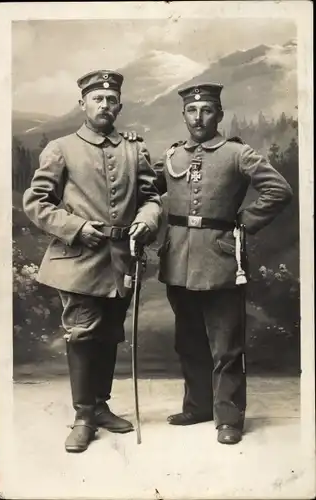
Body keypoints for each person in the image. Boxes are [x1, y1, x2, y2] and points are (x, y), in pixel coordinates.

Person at [23, 70, 162, 453]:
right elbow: (36, 202)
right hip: (79, 259)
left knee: (108, 334)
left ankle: (100, 406)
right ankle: (83, 416)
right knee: (83, 334)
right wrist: (76, 226)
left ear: (119, 105)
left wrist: (147, 219)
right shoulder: (61, 148)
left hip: (122, 260)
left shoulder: (136, 149)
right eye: (97, 99)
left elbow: (151, 198)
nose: (104, 105)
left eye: (111, 99)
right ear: (83, 103)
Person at [153, 83, 293, 445]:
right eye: (192, 111)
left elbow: (279, 190)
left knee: (226, 345)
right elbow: (144, 189)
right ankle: (198, 405)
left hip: (220, 260)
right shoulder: (172, 156)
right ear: (183, 115)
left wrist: (244, 221)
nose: (199, 118)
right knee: (188, 341)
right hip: (178, 260)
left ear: (219, 114)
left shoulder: (237, 154)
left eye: (207, 110)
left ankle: (228, 416)